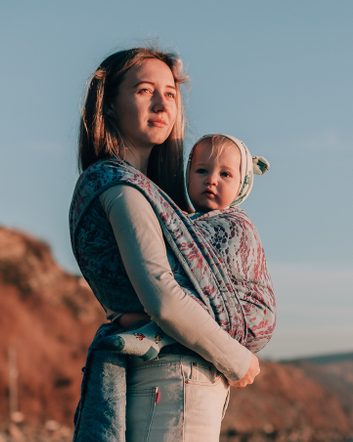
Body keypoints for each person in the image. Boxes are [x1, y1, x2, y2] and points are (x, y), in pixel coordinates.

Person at [40, 48, 274, 442]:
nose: (163, 101)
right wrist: (240, 359)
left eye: (171, 91)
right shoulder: (120, 186)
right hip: (176, 386)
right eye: (144, 89)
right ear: (109, 102)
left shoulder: (153, 194)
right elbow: (163, 298)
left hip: (164, 385)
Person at [100, 133, 272, 362]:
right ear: (188, 175)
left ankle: (155, 333)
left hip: (247, 312)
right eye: (202, 171)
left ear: (242, 185)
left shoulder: (237, 224)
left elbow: (206, 270)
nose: (211, 180)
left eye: (225, 174)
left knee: (183, 295)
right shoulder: (185, 223)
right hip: (212, 320)